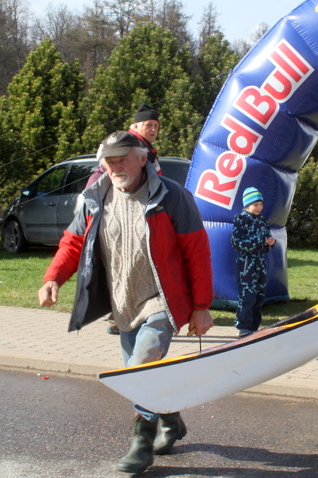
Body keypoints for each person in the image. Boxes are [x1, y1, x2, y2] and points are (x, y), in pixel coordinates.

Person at [38, 131, 214, 475]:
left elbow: (197, 251)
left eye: (122, 159)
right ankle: (171, 419)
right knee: (141, 374)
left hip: (161, 299)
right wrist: (53, 278)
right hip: (122, 303)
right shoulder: (93, 198)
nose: (115, 167)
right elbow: (72, 243)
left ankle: (141, 443)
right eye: (109, 160)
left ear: (142, 158)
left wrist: (202, 305)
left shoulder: (171, 197)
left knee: (139, 367)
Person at [86, 103, 164, 336]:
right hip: (122, 214)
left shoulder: (145, 148)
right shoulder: (130, 147)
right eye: (148, 125)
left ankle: (124, 315)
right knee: (124, 263)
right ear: (135, 126)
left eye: (156, 126)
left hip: (138, 213)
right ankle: (121, 316)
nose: (153, 129)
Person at [231, 187, 276, 338]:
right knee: (247, 295)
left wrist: (270, 242)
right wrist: (259, 241)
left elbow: (266, 238)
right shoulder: (241, 218)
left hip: (259, 262)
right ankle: (243, 327)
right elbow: (237, 243)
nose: (259, 208)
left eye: (260, 204)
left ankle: (254, 327)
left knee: (259, 295)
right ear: (247, 205)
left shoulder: (261, 220)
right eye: (255, 205)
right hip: (246, 263)